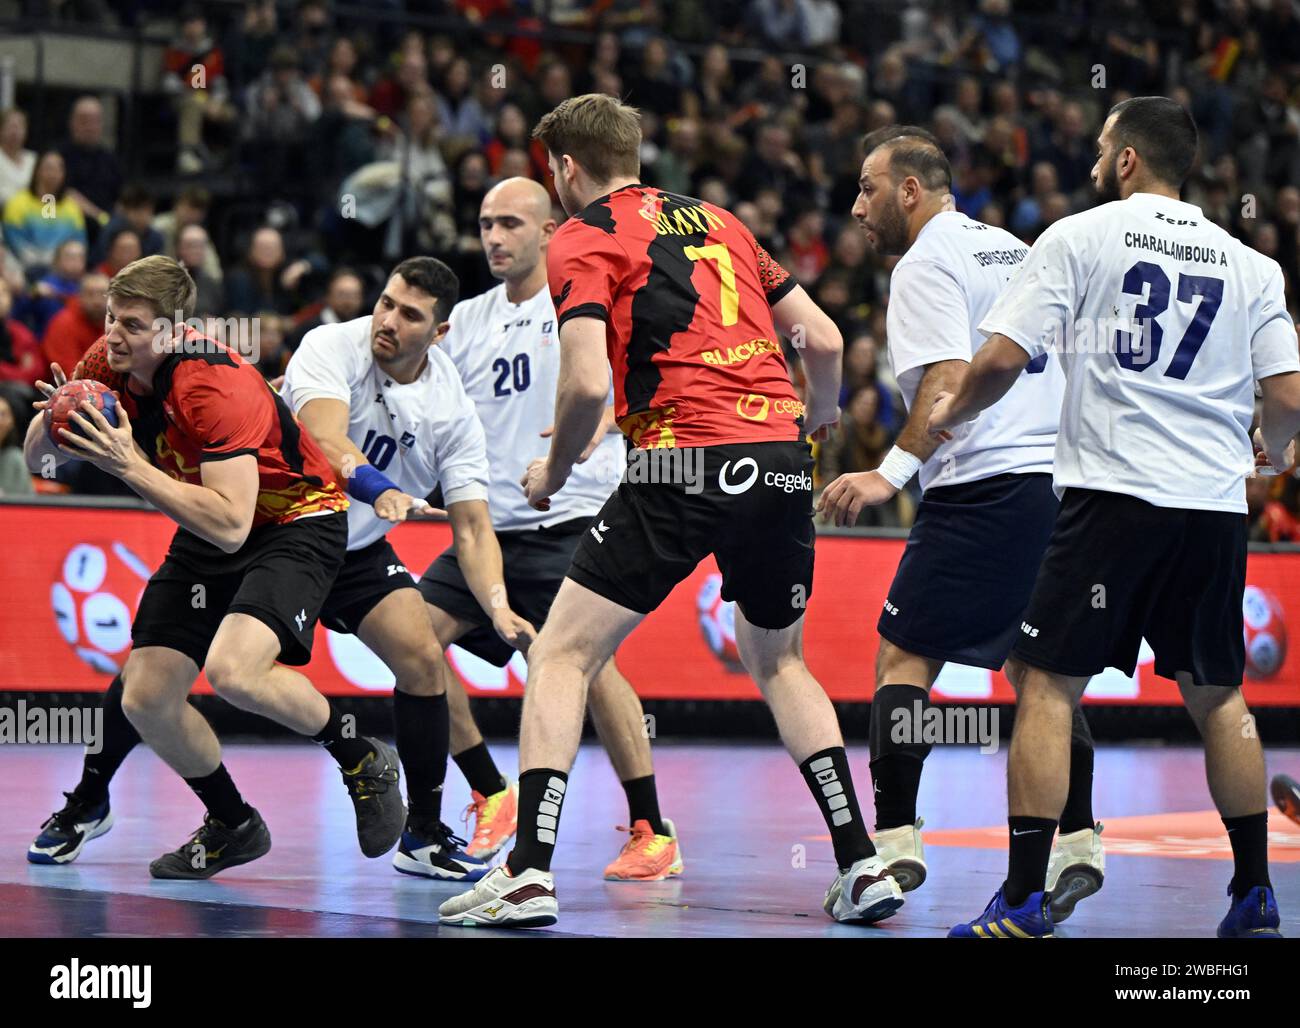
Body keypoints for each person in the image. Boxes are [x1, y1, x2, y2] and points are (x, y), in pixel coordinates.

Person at [440, 94, 901, 928]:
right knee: (781, 664)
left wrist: (554, 464)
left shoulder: (582, 235)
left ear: (565, 169)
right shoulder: (723, 222)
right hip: (777, 461)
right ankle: (861, 863)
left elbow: (582, 382)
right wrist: (821, 415)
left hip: (682, 459)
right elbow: (824, 342)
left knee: (561, 656)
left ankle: (529, 874)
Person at [930, 97, 1300, 938]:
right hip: (1207, 510)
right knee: (1220, 698)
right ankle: (1254, 894)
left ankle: (1023, 899)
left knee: (1048, 687)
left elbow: (1000, 357)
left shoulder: (1080, 235)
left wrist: (957, 411)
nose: (1097, 160)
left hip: (1111, 497)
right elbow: (1286, 397)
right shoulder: (1252, 264)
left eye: (1103, 147)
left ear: (1127, 160)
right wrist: (1271, 454)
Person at [24, 256, 405, 877]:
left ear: (174, 331)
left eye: (134, 325)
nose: (115, 335)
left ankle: (360, 755)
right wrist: (54, 420)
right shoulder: (108, 357)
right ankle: (233, 823)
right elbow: (39, 459)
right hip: (212, 521)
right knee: (145, 697)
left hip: (292, 520)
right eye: (112, 318)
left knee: (235, 670)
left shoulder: (212, 385)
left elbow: (233, 524)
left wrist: (128, 465)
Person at [818, 126, 1103, 922]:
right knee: (1039, 678)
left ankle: (899, 842)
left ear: (911, 189)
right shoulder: (1016, 247)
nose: (857, 206)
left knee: (905, 658)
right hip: (1060, 487)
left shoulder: (924, 262)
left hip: (985, 487)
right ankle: (1078, 842)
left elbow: (947, 382)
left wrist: (889, 472)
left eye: (868, 188)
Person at [418, 176, 682, 881]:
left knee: (590, 671)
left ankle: (654, 829)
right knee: (410, 644)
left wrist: (606, 422)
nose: (495, 238)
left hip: (573, 514)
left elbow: (634, 381)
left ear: (547, 230)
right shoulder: (466, 320)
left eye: (510, 223)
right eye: (484, 225)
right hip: (487, 530)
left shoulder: (586, 301)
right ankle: (489, 789)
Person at [281, 257, 535, 880]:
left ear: (440, 332)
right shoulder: (331, 344)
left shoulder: (451, 409)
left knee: (423, 660)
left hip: (358, 550)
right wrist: (377, 488)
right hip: (275, 534)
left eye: (410, 315)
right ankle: (91, 796)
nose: (387, 321)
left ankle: (422, 834)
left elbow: (473, 527)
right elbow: (324, 440)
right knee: (175, 655)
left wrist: (498, 606)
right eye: (387, 303)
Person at [2, 151, 87, 280]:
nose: (53, 173)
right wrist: (46, 264)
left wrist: (62, 264)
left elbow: (79, 242)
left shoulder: (72, 207)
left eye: (59, 169)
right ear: (37, 171)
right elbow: (15, 242)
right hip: (24, 270)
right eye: (49, 168)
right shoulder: (17, 203)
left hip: (65, 273)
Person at [41, 272, 108, 379]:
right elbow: (68, 372)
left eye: (102, 294)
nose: (97, 301)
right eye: (90, 294)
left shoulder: (114, 323)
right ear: (79, 297)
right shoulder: (63, 324)